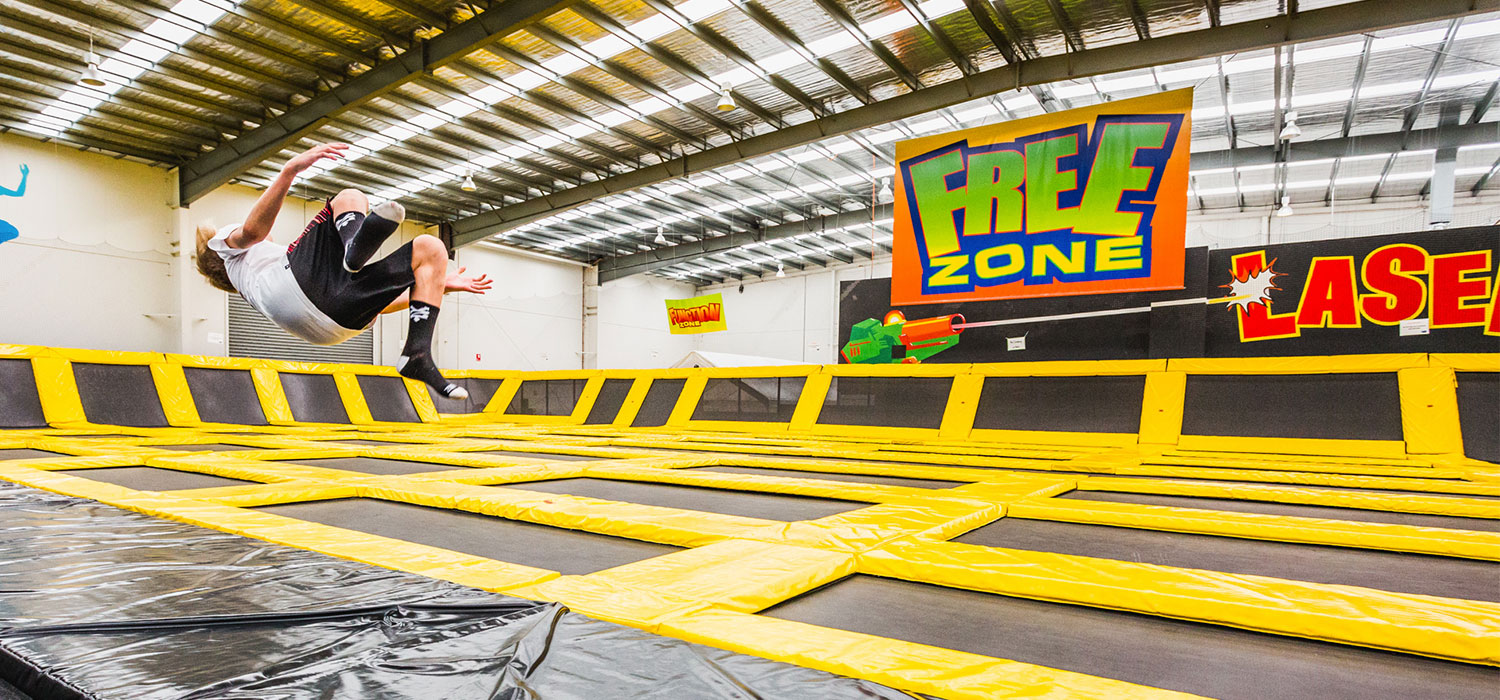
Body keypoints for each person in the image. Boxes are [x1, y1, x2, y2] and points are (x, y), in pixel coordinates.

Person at [193, 143, 489, 399]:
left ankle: (417, 353)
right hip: (300, 290)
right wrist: (289, 171)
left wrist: (440, 283)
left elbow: (381, 305)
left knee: (431, 250)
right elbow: (253, 231)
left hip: (334, 326)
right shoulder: (227, 251)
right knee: (349, 197)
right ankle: (352, 248)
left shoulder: (254, 281)